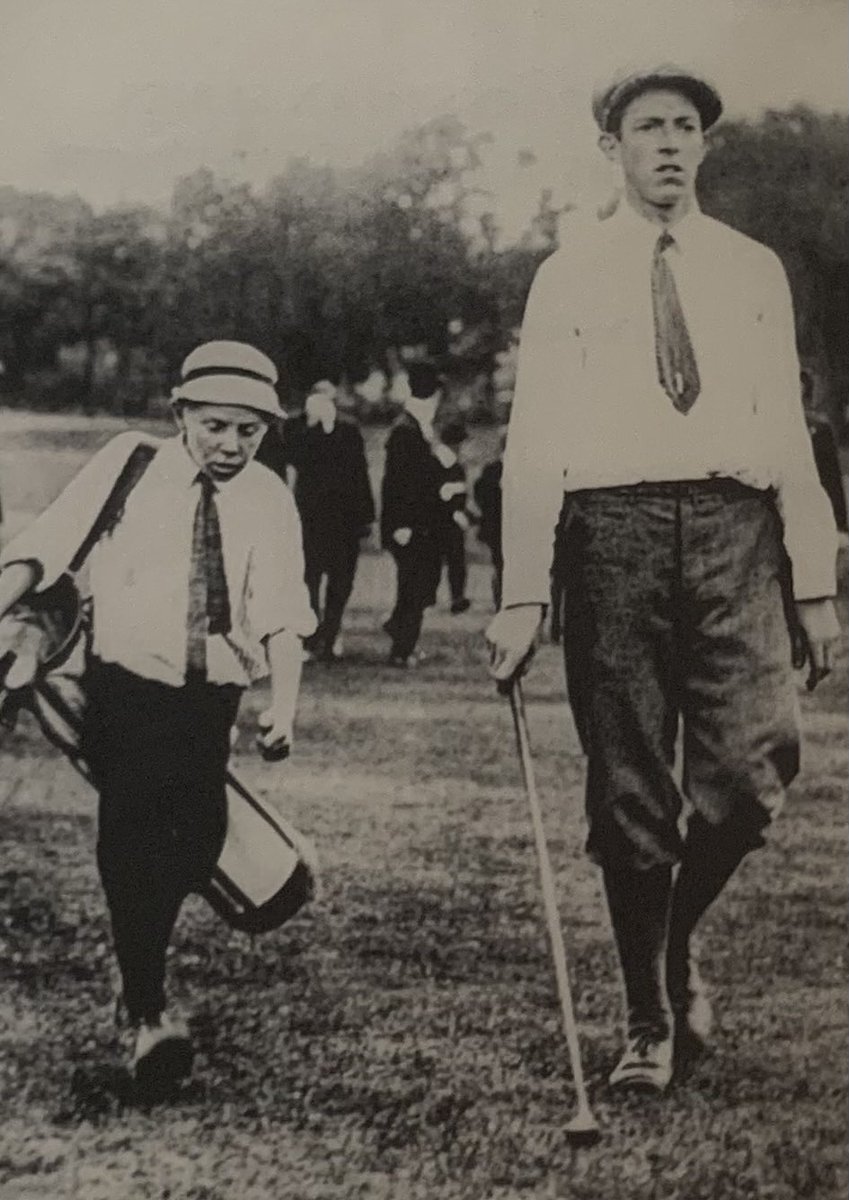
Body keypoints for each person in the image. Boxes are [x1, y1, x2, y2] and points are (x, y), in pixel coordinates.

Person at [487, 66, 840, 1095]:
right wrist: (518, 595)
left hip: (736, 531)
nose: (671, 145)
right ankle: (647, 1013)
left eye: (688, 128)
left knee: (752, 772)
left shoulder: (750, 268)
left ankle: (674, 943)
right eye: (650, 128)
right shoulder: (570, 273)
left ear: (705, 146)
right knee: (633, 789)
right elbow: (534, 439)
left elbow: (790, 426)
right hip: (613, 536)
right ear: (614, 147)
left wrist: (812, 580)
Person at [0, 340, 316, 1090]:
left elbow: (280, 611)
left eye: (248, 431)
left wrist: (285, 705)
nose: (230, 445)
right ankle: (147, 1011)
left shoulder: (268, 496)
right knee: (135, 827)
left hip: (212, 698)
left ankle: (139, 978)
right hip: (125, 685)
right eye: (213, 426)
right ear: (180, 414)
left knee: (195, 838)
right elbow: (44, 548)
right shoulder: (130, 464)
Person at [286, 381, 375, 662]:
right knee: (308, 581)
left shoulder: (348, 430)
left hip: (343, 521)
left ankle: (331, 633)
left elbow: (360, 473)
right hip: (309, 520)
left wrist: (366, 517)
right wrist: (314, 426)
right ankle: (311, 638)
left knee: (340, 583)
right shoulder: (295, 428)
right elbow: (295, 458)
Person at [380, 361, 445, 666]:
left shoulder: (413, 427)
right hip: (412, 524)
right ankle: (402, 648)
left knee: (417, 585)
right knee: (414, 587)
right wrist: (401, 523)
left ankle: (400, 632)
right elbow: (398, 482)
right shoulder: (407, 430)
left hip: (421, 523)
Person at [435, 419, 472, 614]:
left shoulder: (455, 464)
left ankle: (457, 596)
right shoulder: (439, 462)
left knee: (456, 560)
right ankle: (453, 596)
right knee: (444, 560)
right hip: (441, 518)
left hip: (453, 518)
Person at [473, 432, 505, 610]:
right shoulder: (493, 470)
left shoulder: (491, 470)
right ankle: (501, 600)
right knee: (501, 564)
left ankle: (502, 600)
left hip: (497, 526)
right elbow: (481, 494)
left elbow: (480, 493)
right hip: (497, 526)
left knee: (500, 565)